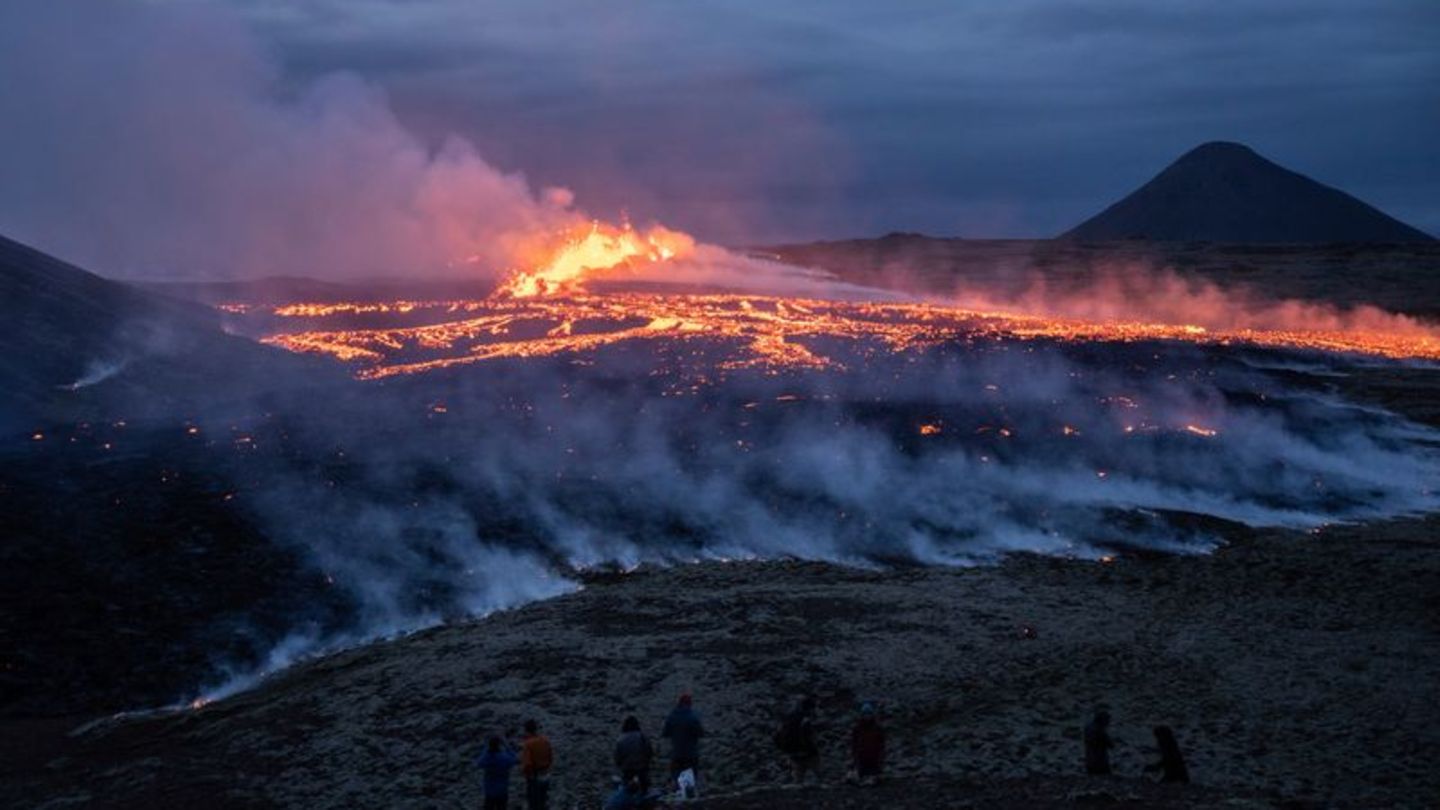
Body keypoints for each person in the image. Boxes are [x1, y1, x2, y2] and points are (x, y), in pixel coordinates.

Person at [661, 692, 705, 796]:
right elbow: (701, 733)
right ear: (689, 704)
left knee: (676, 776)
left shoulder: (672, 716)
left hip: (676, 753)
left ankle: (678, 794)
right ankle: (690, 796)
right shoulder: (693, 717)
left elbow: (665, 733)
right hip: (691, 753)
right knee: (691, 777)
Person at [775, 696, 820, 782]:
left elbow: (776, 736)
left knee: (798, 778)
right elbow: (810, 737)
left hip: (792, 753)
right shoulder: (806, 720)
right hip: (808, 752)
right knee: (817, 774)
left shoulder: (789, 719)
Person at [476, 734, 520, 810]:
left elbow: (479, 762)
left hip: (489, 790)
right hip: (502, 790)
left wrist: (486, 748)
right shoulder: (504, 757)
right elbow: (515, 758)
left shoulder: (487, 758)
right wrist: (507, 746)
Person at [519, 719, 554, 810]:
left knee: (533, 802)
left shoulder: (528, 744)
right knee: (543, 799)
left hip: (534, 775)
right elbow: (551, 757)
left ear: (526, 730)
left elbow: (527, 763)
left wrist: (526, 773)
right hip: (545, 773)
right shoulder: (545, 740)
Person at [614, 715, 654, 792]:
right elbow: (649, 751)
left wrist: (619, 764)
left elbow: (617, 755)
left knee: (627, 784)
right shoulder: (642, 736)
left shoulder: (621, 739)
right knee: (644, 784)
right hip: (641, 765)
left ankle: (627, 797)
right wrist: (647, 761)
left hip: (627, 766)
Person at [849, 702, 885, 784]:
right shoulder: (857, 728)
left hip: (874, 758)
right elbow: (853, 744)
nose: (867, 716)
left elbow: (881, 745)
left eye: (869, 714)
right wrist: (854, 757)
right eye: (865, 714)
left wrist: (881, 759)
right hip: (861, 758)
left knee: (875, 777)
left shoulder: (877, 728)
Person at [1084, 709, 1114, 776]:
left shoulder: (1089, 728)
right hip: (1100, 761)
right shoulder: (1099, 731)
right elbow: (1111, 745)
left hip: (1090, 760)